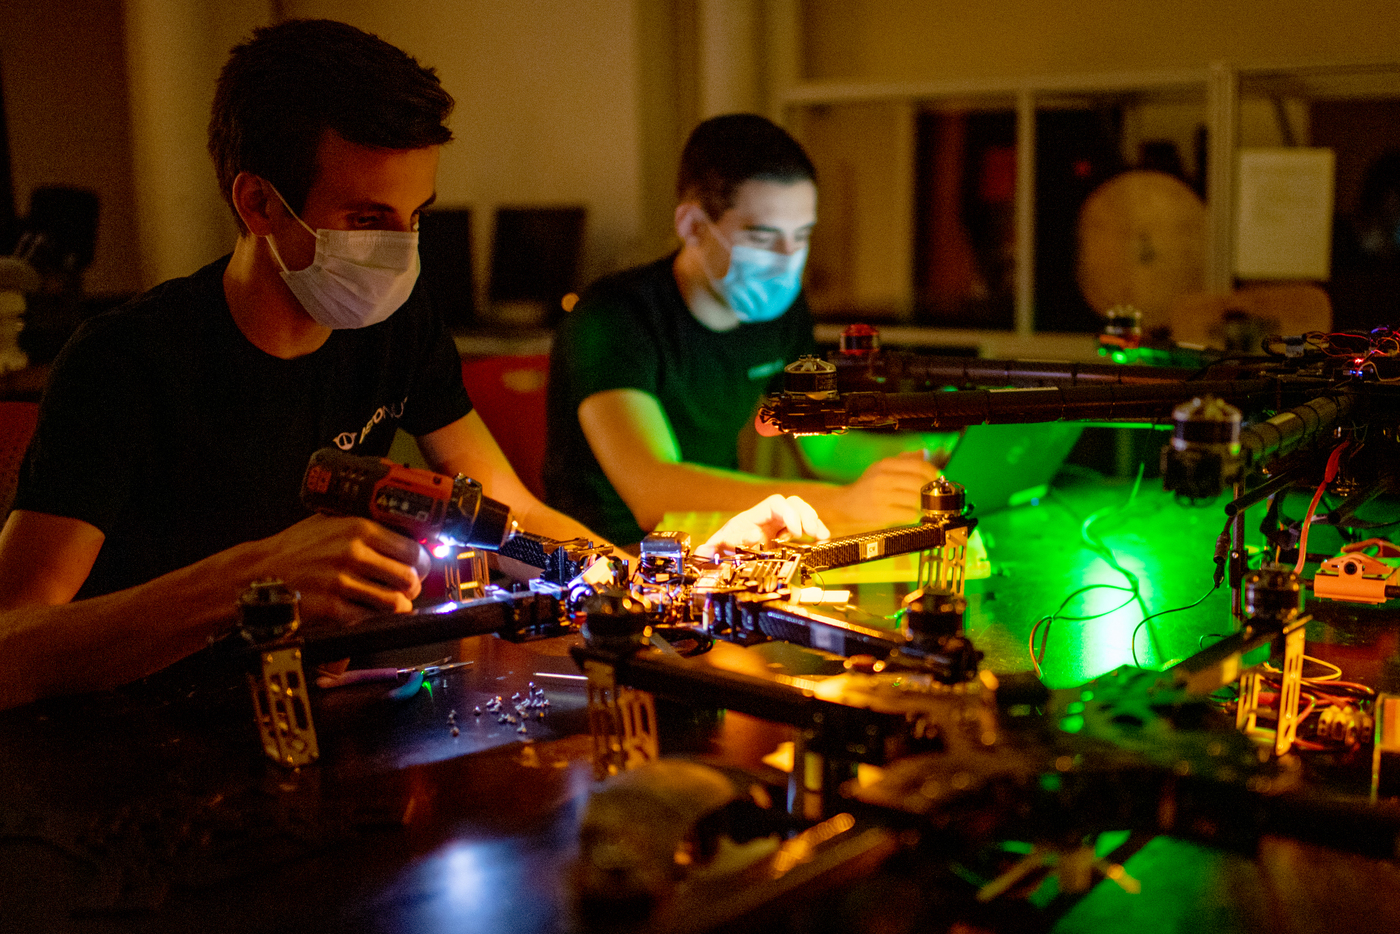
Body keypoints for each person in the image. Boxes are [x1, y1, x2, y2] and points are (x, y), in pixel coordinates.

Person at [0, 20, 824, 712]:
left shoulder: (397, 324)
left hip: (302, 712)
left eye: (414, 217)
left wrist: (668, 577)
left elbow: (504, 511)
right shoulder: (122, 364)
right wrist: (248, 582)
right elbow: (14, 643)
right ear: (257, 203)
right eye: (366, 218)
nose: (397, 251)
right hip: (133, 747)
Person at [545, 113, 939, 548]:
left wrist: (928, 458)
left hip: (719, 546)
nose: (789, 260)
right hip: (610, 563)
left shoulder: (779, 312)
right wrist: (843, 503)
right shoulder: (613, 318)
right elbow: (653, 491)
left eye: (802, 236)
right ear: (693, 226)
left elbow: (818, 445)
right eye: (764, 237)